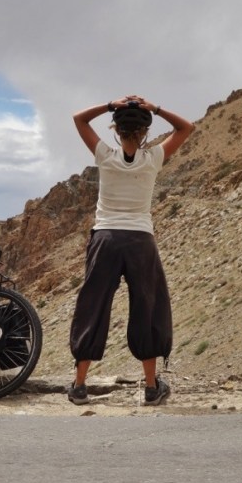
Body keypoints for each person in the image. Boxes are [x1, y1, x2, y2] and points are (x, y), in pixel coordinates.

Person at [67, 95, 195, 406]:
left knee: (93, 306)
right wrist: (156, 108)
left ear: (115, 129)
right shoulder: (153, 158)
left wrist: (110, 105)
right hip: (140, 241)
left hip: (106, 238)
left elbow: (79, 119)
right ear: (145, 133)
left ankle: (80, 386)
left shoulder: (105, 155)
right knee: (147, 307)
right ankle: (151, 387)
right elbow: (186, 128)